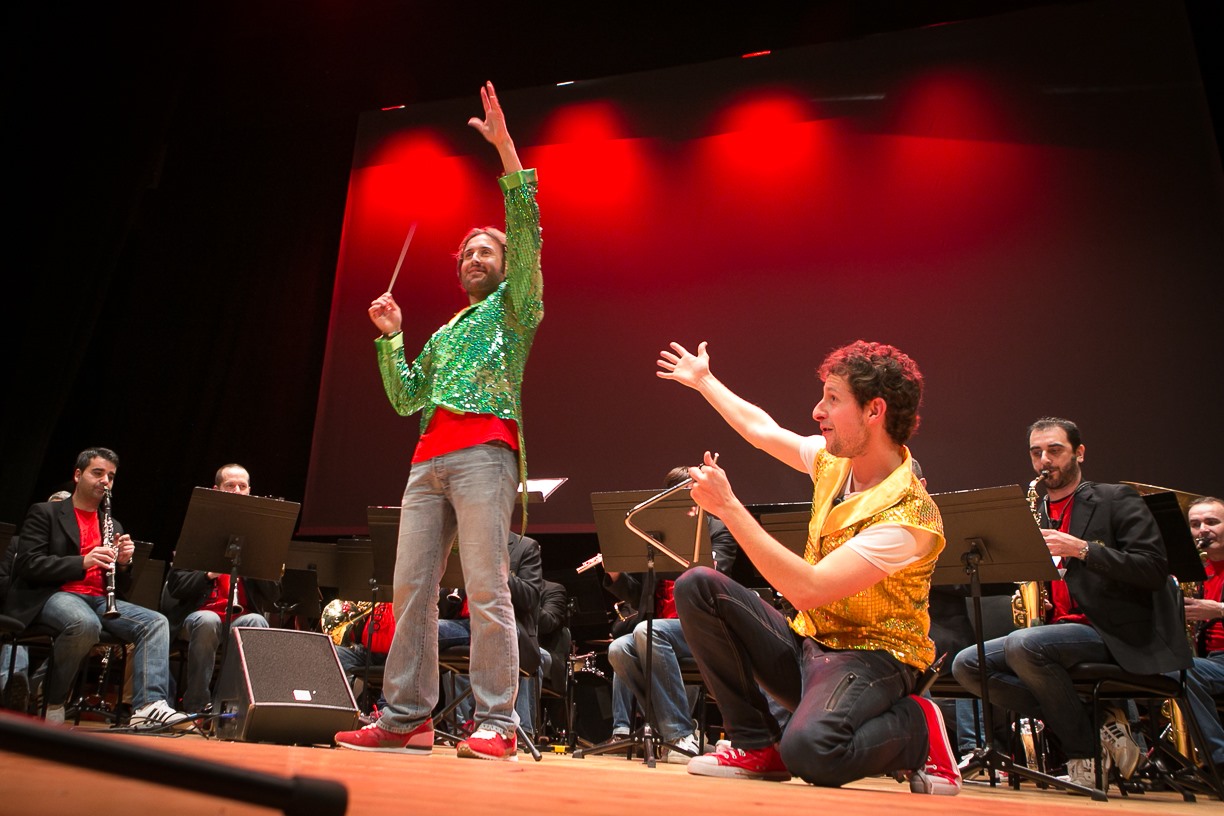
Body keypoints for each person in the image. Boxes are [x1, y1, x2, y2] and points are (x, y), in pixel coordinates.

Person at [335, 81, 543, 760]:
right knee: (410, 593)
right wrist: (392, 338)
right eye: (468, 253)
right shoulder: (449, 328)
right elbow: (404, 399)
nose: (477, 257)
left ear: (508, 268)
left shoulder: (514, 311)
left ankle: (496, 722)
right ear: (457, 270)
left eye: (488, 251)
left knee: (486, 588)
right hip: (427, 462)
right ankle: (406, 717)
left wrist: (506, 149)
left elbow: (526, 226)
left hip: (485, 451)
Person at [657, 339, 959, 793]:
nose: (817, 411)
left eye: (833, 399)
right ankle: (756, 744)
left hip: (875, 658)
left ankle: (919, 726)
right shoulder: (834, 464)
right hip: (811, 644)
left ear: (874, 411)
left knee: (813, 753)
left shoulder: (908, 517)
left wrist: (730, 508)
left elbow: (810, 589)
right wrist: (704, 380)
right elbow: (762, 429)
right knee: (698, 586)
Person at [950, 418, 1191, 790]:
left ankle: (1084, 754)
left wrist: (1080, 549)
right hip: (1059, 633)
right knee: (968, 664)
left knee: (1023, 644)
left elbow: (1154, 568)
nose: (1045, 460)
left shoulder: (1114, 499)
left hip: (1114, 633)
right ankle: (1098, 724)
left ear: (1079, 452)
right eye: (1036, 453)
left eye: (1055, 450)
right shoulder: (1036, 512)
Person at [1, 447, 190, 729]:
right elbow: (29, 564)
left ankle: (149, 706)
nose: (105, 481)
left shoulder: (111, 523)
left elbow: (120, 585)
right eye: (98, 473)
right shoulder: (46, 513)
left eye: (111, 477)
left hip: (99, 599)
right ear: (78, 475)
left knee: (155, 622)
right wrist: (83, 561)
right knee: (84, 623)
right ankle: (53, 698)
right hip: (53, 594)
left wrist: (124, 563)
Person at [601, 466, 740, 762]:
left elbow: (715, 578)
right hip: (659, 630)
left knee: (646, 633)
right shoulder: (655, 535)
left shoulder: (719, 528)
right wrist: (615, 574)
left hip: (702, 630)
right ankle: (677, 730)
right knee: (618, 649)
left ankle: (678, 733)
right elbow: (641, 596)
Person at [160, 464, 280, 714]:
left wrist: (262, 566)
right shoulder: (197, 530)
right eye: (230, 486)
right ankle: (196, 704)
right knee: (207, 620)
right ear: (216, 490)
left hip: (240, 616)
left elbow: (273, 598)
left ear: (249, 491)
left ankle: (229, 704)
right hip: (198, 615)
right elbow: (177, 586)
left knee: (257, 622)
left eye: (242, 486)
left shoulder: (259, 536)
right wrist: (209, 573)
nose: (237, 491)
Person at [1182, 496, 1224, 770]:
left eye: (1212, 522)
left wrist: (1219, 609)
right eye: (1195, 524)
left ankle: (1219, 760)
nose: (1203, 530)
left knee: (1183, 669)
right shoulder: (1198, 571)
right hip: (1209, 659)